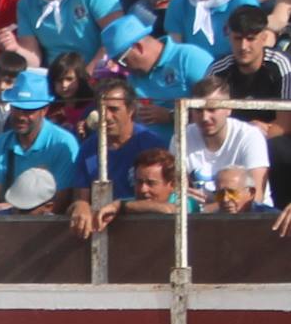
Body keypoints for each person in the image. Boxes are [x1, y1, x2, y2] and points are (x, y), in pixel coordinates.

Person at [209, 5, 291, 205]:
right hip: (231, 139)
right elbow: (208, 115)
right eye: (238, 38)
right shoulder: (219, 69)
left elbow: (284, 125)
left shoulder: (280, 66)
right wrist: (247, 132)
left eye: (250, 39)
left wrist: (253, 136)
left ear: (264, 37)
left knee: (277, 149)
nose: (243, 46)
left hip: (271, 139)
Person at [0, 68, 80, 215]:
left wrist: (9, 209)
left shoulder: (63, 143)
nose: (21, 116)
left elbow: (60, 204)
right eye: (17, 109)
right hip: (8, 224)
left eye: (29, 111)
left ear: (44, 110)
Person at [65, 78, 168, 227]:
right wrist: (81, 206)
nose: (106, 116)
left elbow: (165, 200)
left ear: (131, 109)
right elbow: (82, 198)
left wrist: (120, 207)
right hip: (102, 230)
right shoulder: (88, 149)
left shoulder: (152, 145)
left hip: (146, 227)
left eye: (113, 109)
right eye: (101, 109)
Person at [101, 14, 214, 142]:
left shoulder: (188, 58)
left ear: (138, 47)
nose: (123, 69)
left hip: (195, 152)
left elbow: (216, 106)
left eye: (122, 61)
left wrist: (170, 116)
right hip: (152, 157)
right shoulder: (133, 79)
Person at [174, 74, 270, 203]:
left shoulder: (249, 136)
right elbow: (177, 195)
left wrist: (210, 206)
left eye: (212, 109)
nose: (205, 118)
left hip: (248, 219)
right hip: (197, 220)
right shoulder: (181, 138)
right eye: (198, 110)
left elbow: (256, 198)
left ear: (228, 108)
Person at [74, 147, 202, 238]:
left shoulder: (188, 202)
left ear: (172, 185)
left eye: (151, 183)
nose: (142, 189)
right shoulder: (128, 202)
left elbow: (168, 210)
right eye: (139, 182)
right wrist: (80, 205)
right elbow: (96, 213)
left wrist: (121, 206)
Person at [46, 51, 95, 138]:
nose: (64, 85)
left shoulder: (91, 106)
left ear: (80, 78)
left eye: (69, 79)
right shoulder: (51, 110)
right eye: (59, 80)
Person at [207, 165, 277, 213]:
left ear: (251, 193)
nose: (225, 199)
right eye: (220, 194)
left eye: (232, 192)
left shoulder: (272, 220)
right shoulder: (209, 223)